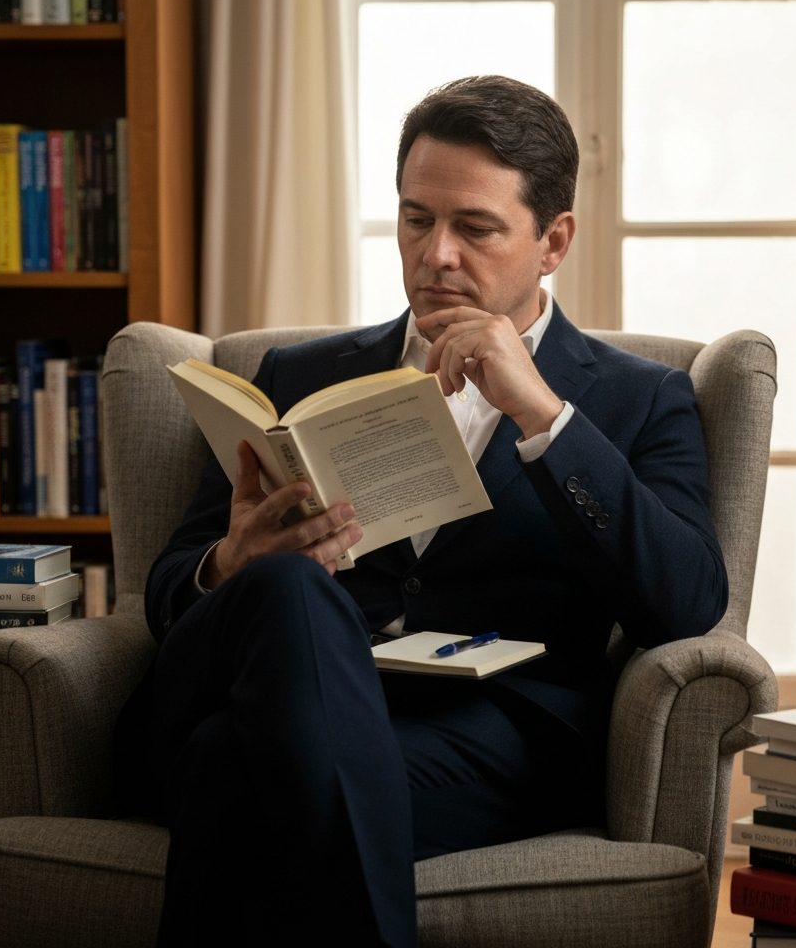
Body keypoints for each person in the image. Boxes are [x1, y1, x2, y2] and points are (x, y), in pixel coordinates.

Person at [135, 75, 728, 947]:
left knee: (236, 769)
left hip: (489, 737)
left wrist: (543, 416)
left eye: (474, 227)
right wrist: (229, 563)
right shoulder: (297, 378)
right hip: (271, 684)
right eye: (417, 219)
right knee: (290, 594)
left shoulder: (641, 401)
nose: (436, 254)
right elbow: (162, 595)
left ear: (553, 240)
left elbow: (686, 603)